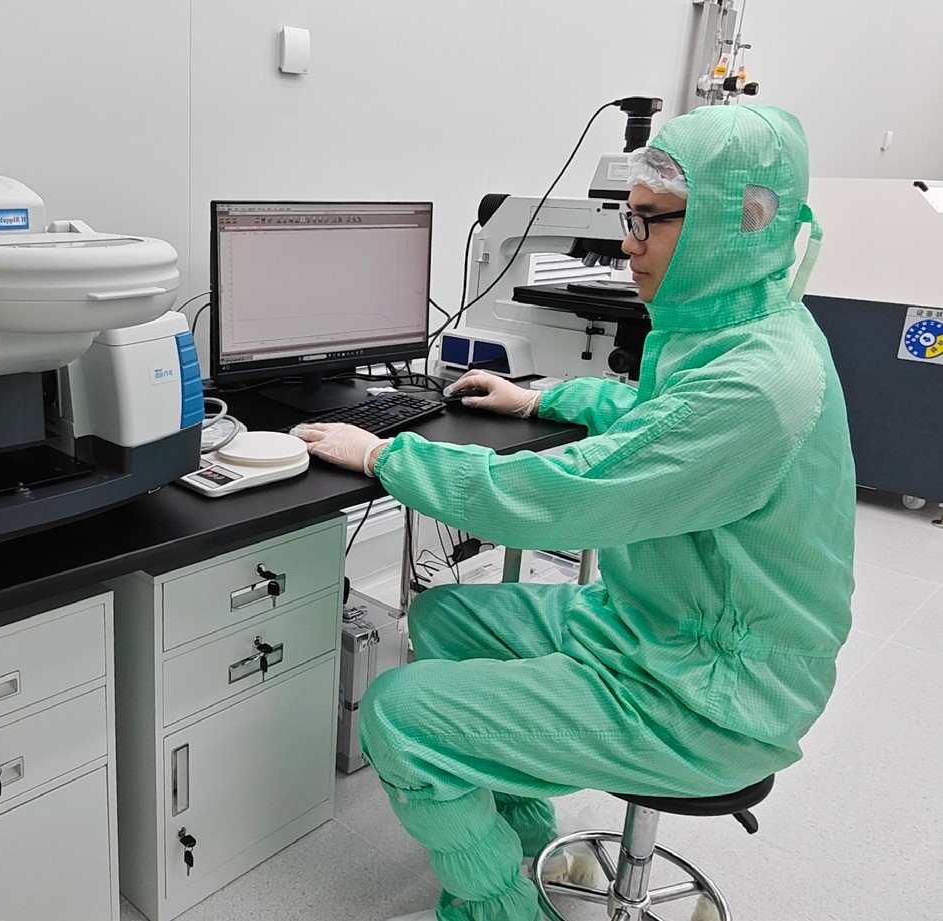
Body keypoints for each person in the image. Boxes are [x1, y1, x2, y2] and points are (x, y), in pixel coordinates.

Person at [290, 104, 855, 921]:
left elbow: (562, 497)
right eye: (629, 217)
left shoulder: (761, 381)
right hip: (656, 623)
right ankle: (521, 826)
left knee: (397, 715)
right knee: (444, 615)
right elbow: (657, 415)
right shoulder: (738, 325)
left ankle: (500, 907)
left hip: (710, 693)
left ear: (737, 223)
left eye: (649, 221)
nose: (627, 243)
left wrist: (383, 456)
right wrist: (542, 397)